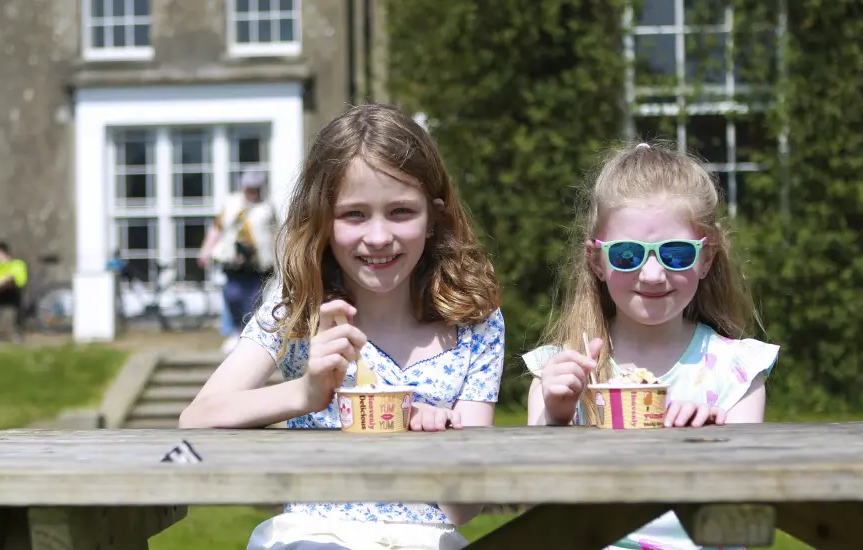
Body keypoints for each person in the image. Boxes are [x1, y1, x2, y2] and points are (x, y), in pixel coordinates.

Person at [179, 103, 505, 550]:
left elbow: (464, 508)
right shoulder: (297, 306)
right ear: (323, 222)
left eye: (401, 212)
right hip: (312, 535)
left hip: (423, 539)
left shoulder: (475, 321)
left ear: (433, 216)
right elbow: (197, 418)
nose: (377, 237)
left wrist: (436, 440)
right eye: (354, 214)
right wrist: (306, 394)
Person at [522, 141, 779, 550]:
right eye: (628, 255)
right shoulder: (561, 371)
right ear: (597, 262)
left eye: (676, 254)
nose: (654, 274)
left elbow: (745, 521)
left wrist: (714, 444)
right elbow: (533, 506)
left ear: (706, 258)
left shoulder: (736, 370)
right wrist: (554, 418)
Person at [199, 170, 278, 353]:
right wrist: (205, 251)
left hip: (258, 265)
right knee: (232, 295)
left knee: (253, 301)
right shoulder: (231, 204)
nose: (252, 192)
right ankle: (236, 332)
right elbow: (217, 229)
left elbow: (275, 234)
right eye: (249, 188)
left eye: (255, 189)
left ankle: (249, 338)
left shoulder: (267, 207)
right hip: (233, 262)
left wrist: (278, 258)